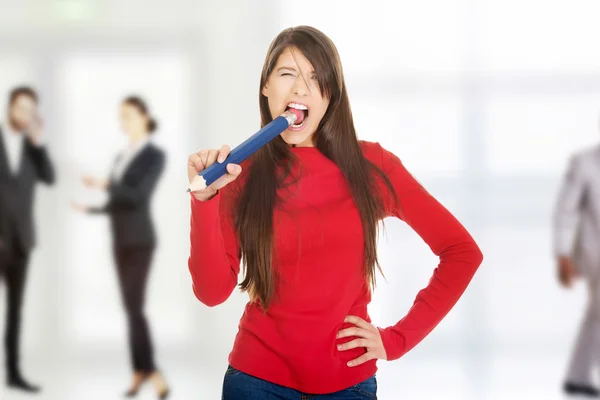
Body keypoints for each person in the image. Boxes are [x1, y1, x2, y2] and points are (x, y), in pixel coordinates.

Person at [187, 26, 484, 399]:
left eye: (315, 77)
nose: (300, 89)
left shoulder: (373, 166)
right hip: (254, 381)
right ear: (266, 87)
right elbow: (211, 293)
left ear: (331, 94)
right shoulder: (240, 172)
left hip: (349, 384)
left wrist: (396, 340)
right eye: (287, 74)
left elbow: (462, 252)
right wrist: (204, 201)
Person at [72, 96, 169, 399]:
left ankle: (151, 371)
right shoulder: (119, 157)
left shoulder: (155, 155)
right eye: (121, 117)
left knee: (136, 308)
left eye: (128, 115)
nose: (123, 122)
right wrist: (91, 210)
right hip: (120, 239)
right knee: (129, 309)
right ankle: (139, 370)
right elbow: (117, 202)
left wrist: (104, 184)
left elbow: (138, 196)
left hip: (140, 240)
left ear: (143, 116)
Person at [0, 86, 55, 393]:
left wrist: (38, 142)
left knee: (14, 312)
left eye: (30, 110)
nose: (25, 115)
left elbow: (49, 177)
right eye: (21, 109)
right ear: (10, 108)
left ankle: (13, 373)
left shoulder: (33, 148)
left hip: (21, 242)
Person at [553, 137, 600, 397]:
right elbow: (565, 210)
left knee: (596, 314)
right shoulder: (584, 164)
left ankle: (577, 375)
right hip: (595, 252)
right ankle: (578, 375)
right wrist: (562, 255)